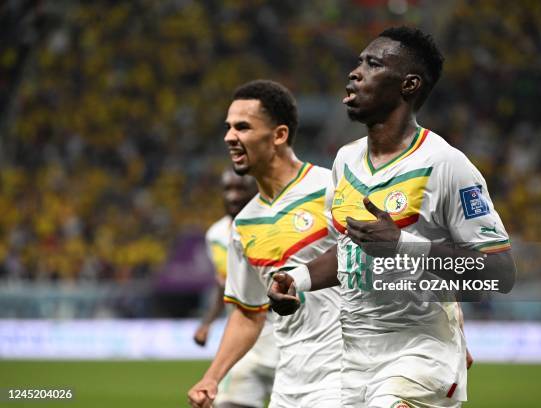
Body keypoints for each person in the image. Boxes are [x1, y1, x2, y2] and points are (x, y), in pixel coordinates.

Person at [269, 26, 516, 407]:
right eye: (358, 62)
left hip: (421, 353)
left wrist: (403, 245)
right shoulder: (345, 160)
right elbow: (350, 251)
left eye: (373, 64)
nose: (355, 71)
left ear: (409, 84)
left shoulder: (445, 165)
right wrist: (296, 280)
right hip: (352, 359)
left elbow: (500, 272)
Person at [187, 80, 342, 408]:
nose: (230, 137)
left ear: (279, 135)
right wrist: (212, 376)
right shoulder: (244, 225)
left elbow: (387, 257)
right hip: (290, 383)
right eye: (228, 128)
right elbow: (248, 313)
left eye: (242, 127)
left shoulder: (332, 188)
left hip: (347, 375)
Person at [193, 169, 278, 408]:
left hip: (285, 335)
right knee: (227, 402)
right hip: (246, 338)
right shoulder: (216, 235)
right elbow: (225, 284)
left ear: (256, 190)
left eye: (240, 188)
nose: (232, 196)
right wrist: (207, 322)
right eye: (227, 189)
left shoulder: (276, 226)